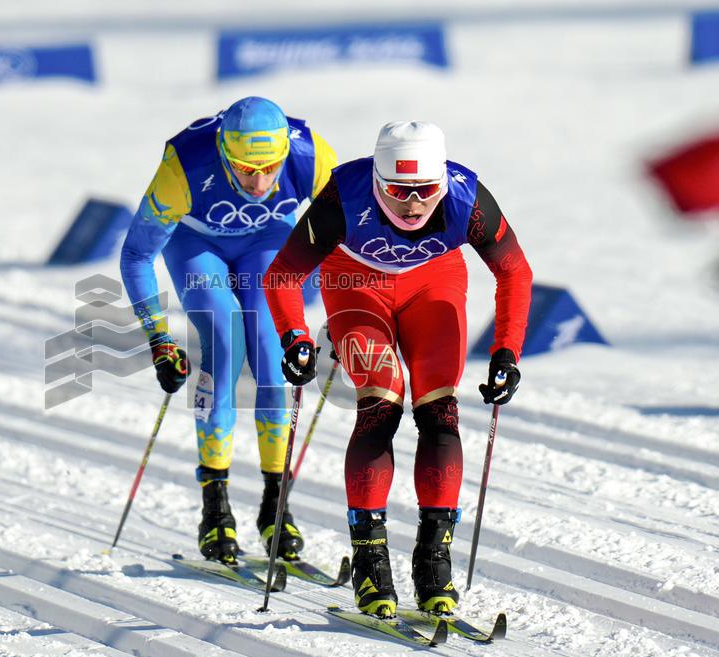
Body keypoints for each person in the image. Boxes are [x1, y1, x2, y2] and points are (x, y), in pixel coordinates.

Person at [263, 121, 532, 614]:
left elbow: (514, 270)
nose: (412, 204)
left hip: (433, 285)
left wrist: (507, 350)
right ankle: (370, 561)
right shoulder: (343, 195)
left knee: (439, 413)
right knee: (381, 405)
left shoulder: (467, 198)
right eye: (398, 191)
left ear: (442, 180)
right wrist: (295, 337)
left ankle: (434, 561)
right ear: (376, 181)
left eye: (425, 191)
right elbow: (282, 274)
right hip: (355, 285)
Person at [120, 96, 338, 564]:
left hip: (268, 241)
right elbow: (136, 255)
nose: (258, 182)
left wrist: (338, 315)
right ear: (223, 153)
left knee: (273, 347)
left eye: (269, 169)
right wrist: (159, 338)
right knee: (224, 339)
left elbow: (342, 243)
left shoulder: (313, 156)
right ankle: (214, 508)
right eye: (243, 169)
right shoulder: (183, 169)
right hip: (196, 243)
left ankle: (275, 503)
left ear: (284, 152)